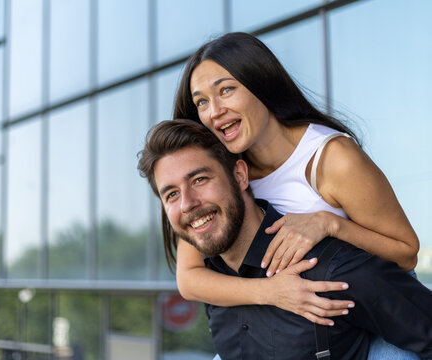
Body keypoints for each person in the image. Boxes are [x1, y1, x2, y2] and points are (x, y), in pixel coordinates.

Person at [171, 32, 420, 359]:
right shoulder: (222, 171)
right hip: (286, 323)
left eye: (226, 90)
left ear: (260, 81)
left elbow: (406, 254)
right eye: (202, 101)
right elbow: (189, 280)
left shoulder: (332, 158)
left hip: (374, 314)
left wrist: (329, 224)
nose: (213, 111)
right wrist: (271, 292)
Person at [137, 119, 432, 360]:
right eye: (171, 194)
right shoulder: (214, 283)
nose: (187, 203)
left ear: (240, 176)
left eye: (200, 180)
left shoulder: (333, 271)